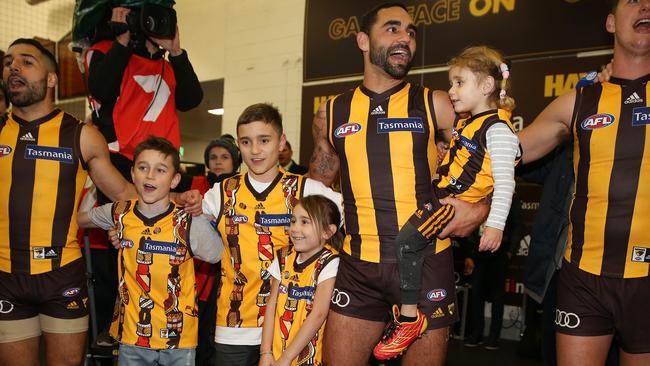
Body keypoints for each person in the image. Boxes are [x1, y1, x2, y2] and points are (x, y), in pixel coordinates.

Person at [308, 3, 490, 365]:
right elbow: (317, 183)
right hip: (359, 266)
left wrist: (480, 209)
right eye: (392, 29)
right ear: (363, 40)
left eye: (410, 32)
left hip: (426, 265)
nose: (405, 38)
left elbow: (490, 160)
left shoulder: (435, 103)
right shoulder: (331, 113)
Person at [517, 1, 650, 364]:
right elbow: (512, 151)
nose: (645, 5)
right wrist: (475, 121)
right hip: (584, 279)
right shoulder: (579, 100)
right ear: (610, 22)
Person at [372, 45, 520, 359]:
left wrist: (494, 225)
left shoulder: (499, 129)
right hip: (439, 196)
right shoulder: (471, 123)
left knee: (405, 243)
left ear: (486, 86)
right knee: (408, 245)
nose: (451, 91)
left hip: (452, 205)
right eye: (451, 83)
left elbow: (506, 182)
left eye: (459, 83)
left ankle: (409, 318)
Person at [0, 38, 139, 366]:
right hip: (5, 276)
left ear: (51, 79)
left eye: (26, 61)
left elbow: (124, 194)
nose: (13, 67)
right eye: (8, 62)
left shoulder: (82, 135)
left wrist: (187, 203)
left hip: (62, 276)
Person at [202, 103, 342, 365]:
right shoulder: (219, 194)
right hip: (234, 326)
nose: (255, 150)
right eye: (246, 142)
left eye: (264, 140)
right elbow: (180, 229)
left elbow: (356, 217)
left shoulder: (309, 189)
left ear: (281, 142)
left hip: (293, 327)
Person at [77, 136, 223, 365]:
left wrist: (202, 215)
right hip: (132, 337)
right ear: (133, 174)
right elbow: (82, 220)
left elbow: (216, 254)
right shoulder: (120, 213)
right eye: (143, 167)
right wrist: (91, 188)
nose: (150, 175)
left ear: (175, 180)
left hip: (178, 338)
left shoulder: (187, 222)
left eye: (160, 170)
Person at [85, 6, 203, 197]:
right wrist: (122, 41)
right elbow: (101, 91)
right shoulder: (105, 51)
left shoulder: (170, 66)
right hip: (118, 160)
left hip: (162, 162)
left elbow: (191, 100)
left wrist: (176, 52)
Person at [259, 195, 343, 366]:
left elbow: (318, 314)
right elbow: (271, 305)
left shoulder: (330, 261)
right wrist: (265, 352)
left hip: (307, 358)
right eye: (293, 220)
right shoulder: (283, 256)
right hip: (275, 355)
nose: (294, 228)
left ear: (328, 231)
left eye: (305, 222)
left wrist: (287, 357)